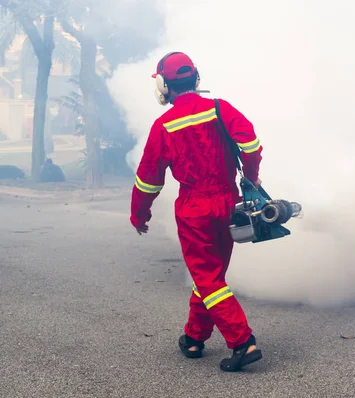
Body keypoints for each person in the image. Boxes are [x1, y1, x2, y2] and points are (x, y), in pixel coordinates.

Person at [129, 51, 263, 372]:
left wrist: (140, 215)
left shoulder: (163, 126)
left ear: (163, 85)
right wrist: (252, 177)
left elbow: (148, 180)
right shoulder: (220, 109)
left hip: (194, 209)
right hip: (228, 202)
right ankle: (194, 337)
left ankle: (242, 342)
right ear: (196, 79)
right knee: (210, 276)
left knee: (208, 278)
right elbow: (251, 146)